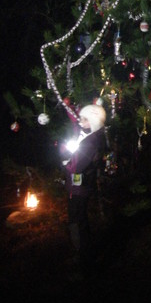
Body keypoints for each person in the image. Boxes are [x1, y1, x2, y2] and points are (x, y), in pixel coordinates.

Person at [63, 103, 107, 274]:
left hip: (79, 189)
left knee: (77, 221)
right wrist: (69, 107)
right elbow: (76, 124)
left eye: (85, 119)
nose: (81, 121)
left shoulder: (91, 142)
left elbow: (76, 167)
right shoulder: (89, 134)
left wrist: (65, 162)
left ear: (93, 122)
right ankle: (82, 253)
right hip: (78, 187)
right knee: (78, 219)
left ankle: (83, 259)